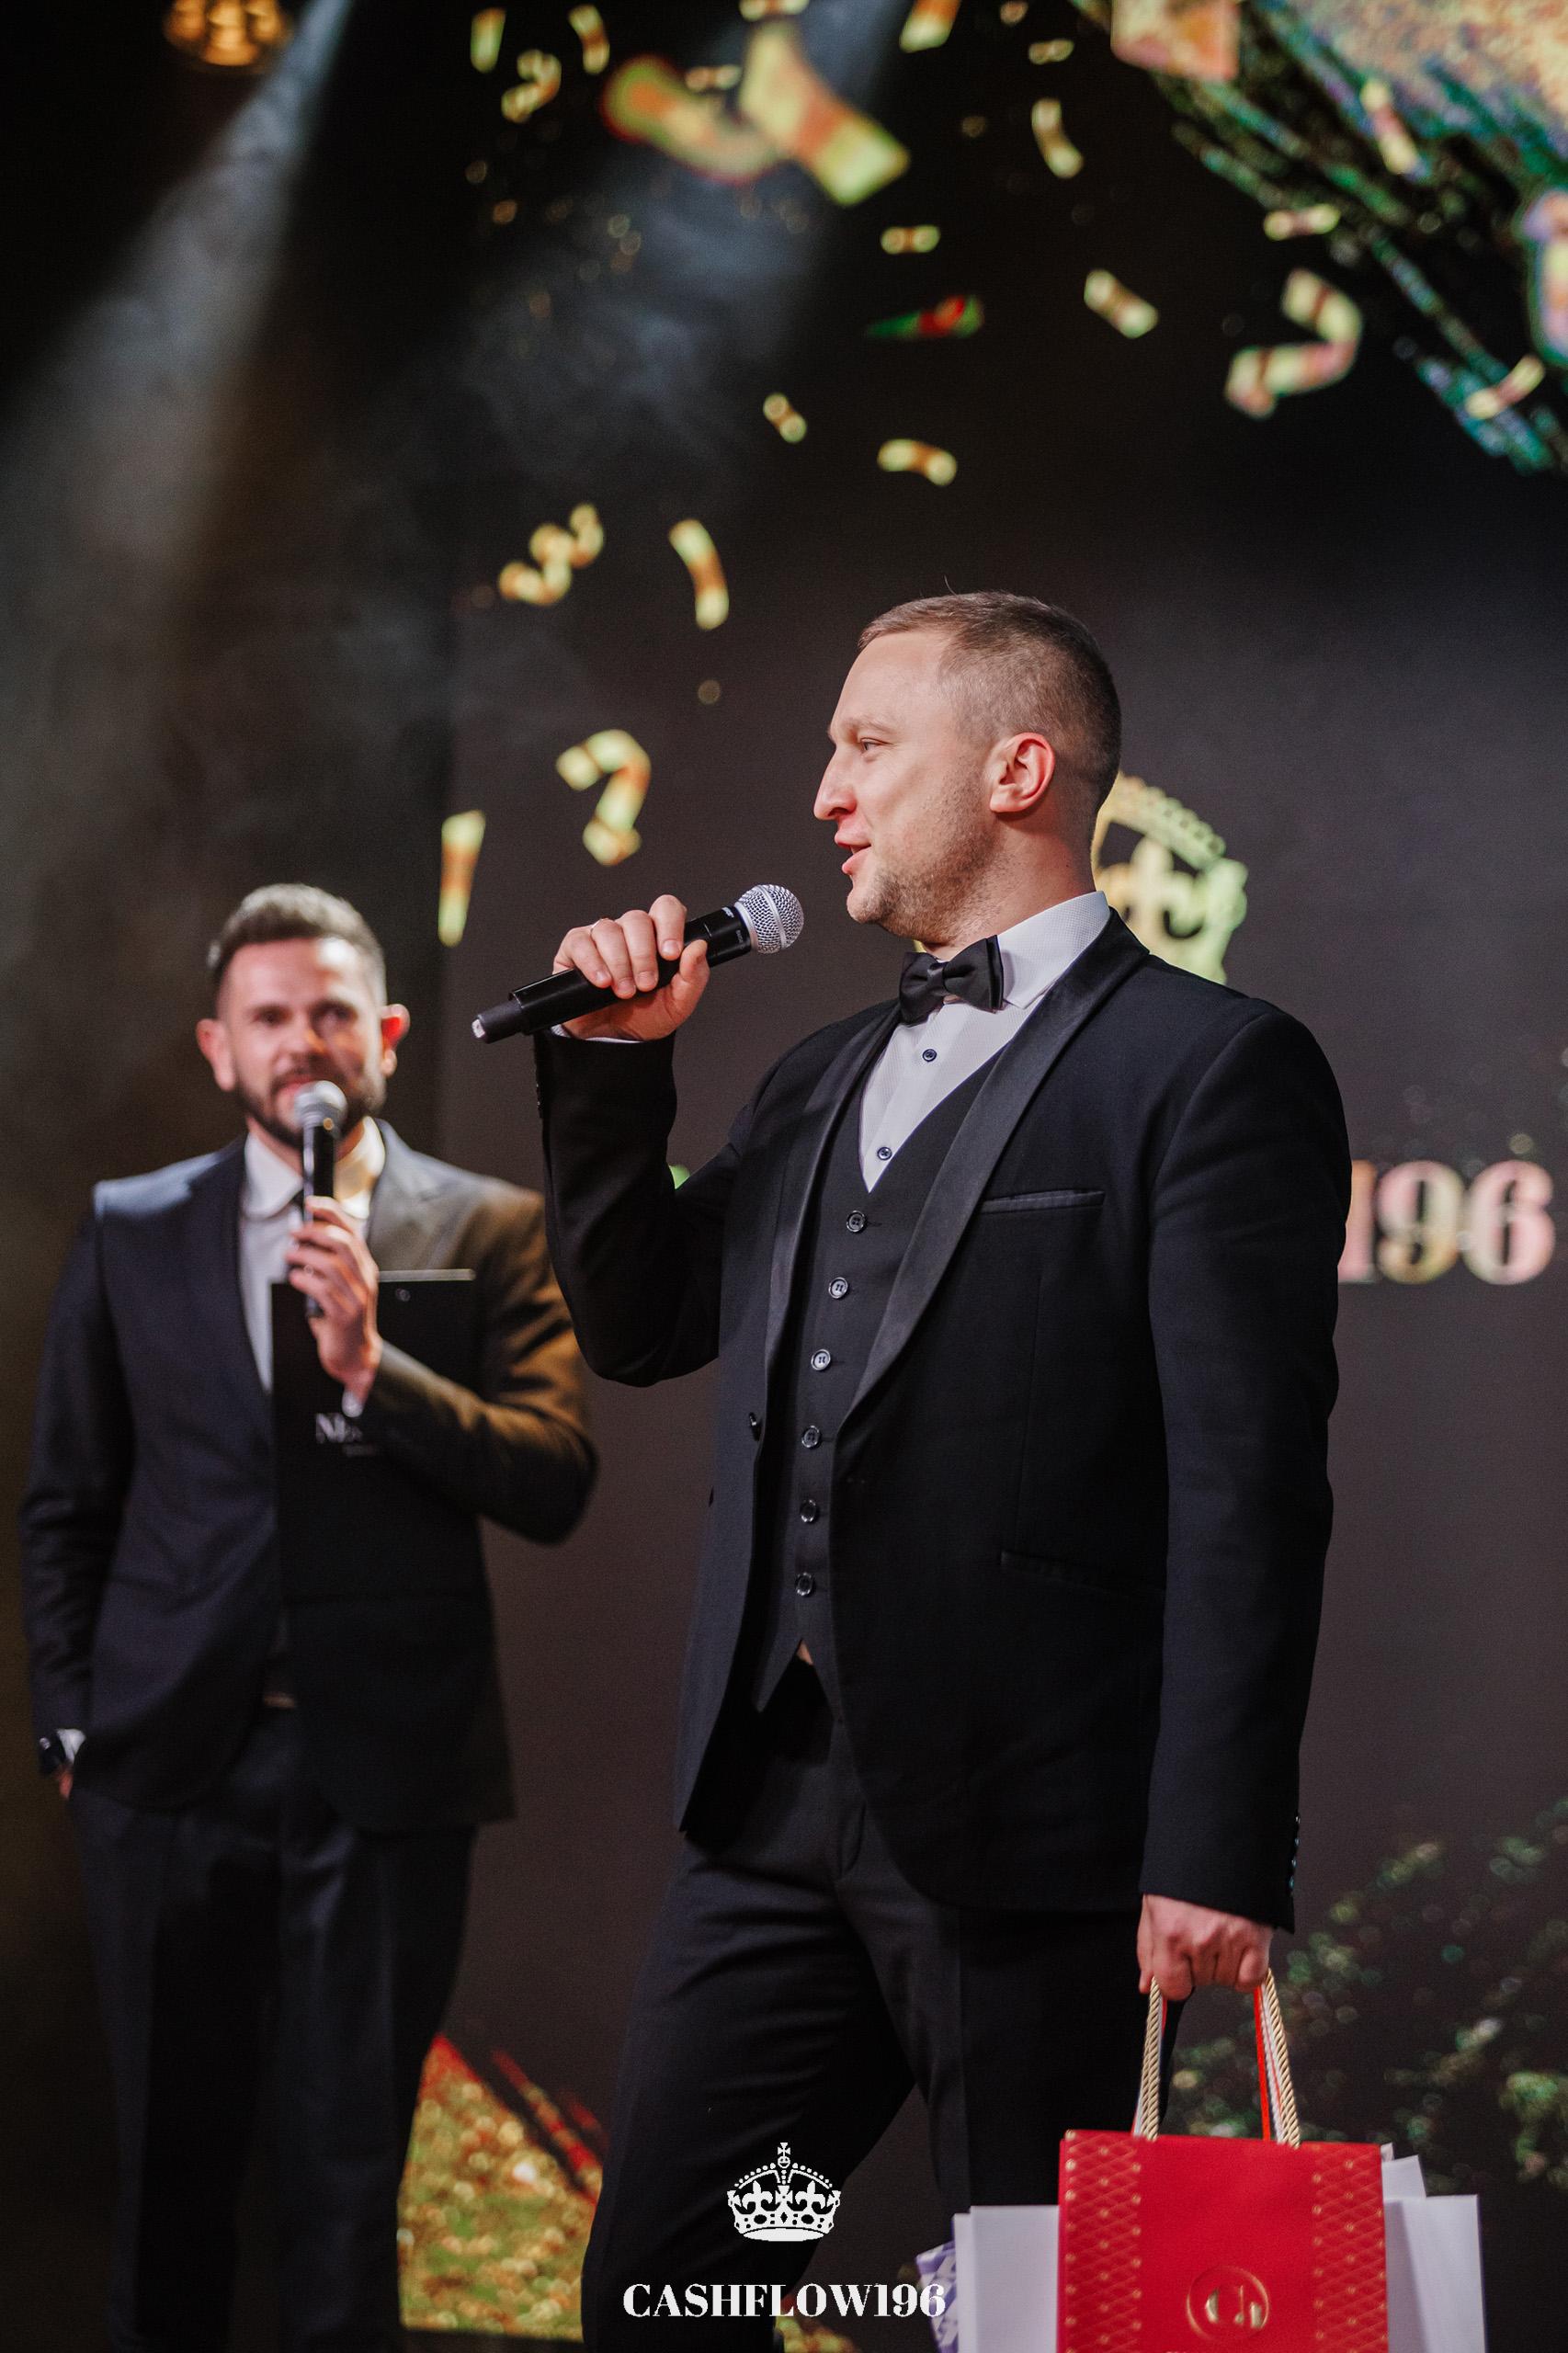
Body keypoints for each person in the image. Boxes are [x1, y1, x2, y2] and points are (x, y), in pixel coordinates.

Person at [534, 593, 1350, 2345]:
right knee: (659, 2301)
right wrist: (609, 1066)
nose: (824, 793)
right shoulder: (817, 1075)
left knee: (1039, 2316)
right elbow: (644, 1324)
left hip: (1040, 1835)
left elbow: (1248, 1488)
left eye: (865, 746)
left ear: (1015, 770)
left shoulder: (1211, 1069)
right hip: (767, 1807)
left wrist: (1214, 1847)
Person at [21, 883, 596, 2353]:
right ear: (219, 1047)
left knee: (348, 2187)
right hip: (167, 1771)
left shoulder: (486, 1226)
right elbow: (68, 1505)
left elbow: (553, 1478)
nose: (303, 1042)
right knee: (171, 2179)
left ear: (384, 1034)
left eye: (331, 1012)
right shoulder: (134, 1227)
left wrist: (368, 1368)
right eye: (269, 1017)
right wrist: (74, 1726)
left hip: (386, 1778)